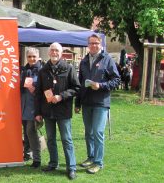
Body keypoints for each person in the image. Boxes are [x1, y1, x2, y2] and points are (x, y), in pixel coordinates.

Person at [75, 34, 120, 174]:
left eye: (96, 43)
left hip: (101, 103)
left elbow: (116, 80)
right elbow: (80, 85)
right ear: (88, 45)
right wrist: (77, 103)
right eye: (91, 43)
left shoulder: (107, 60)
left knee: (98, 132)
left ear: (100, 44)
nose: (93, 45)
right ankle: (91, 157)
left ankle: (98, 163)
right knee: (88, 132)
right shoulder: (83, 61)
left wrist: (100, 86)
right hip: (87, 102)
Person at [35, 43, 80, 180]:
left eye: (57, 50)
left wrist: (61, 96)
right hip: (47, 111)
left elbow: (77, 88)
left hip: (63, 111)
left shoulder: (69, 68)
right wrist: (38, 112)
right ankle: (53, 163)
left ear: (61, 53)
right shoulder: (43, 70)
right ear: (49, 53)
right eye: (52, 50)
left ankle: (71, 167)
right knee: (50, 139)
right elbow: (38, 93)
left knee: (66, 139)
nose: (54, 52)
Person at [21, 47, 42, 168]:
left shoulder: (41, 70)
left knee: (31, 131)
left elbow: (45, 89)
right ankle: (27, 154)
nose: (32, 59)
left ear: (38, 57)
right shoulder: (24, 70)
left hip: (35, 107)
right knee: (26, 131)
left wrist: (34, 90)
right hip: (23, 106)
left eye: (34, 56)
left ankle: (37, 159)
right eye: (29, 56)